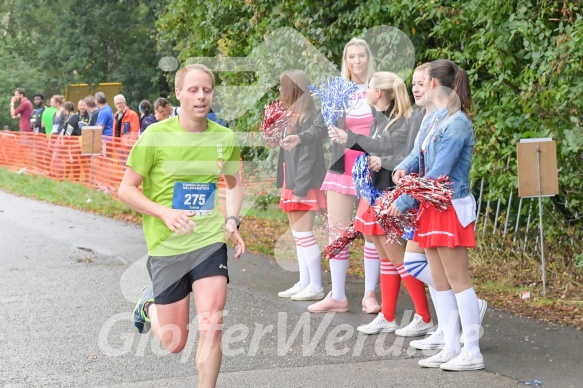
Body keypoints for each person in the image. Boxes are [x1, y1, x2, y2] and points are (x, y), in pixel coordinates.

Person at [118, 63, 245, 388]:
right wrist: (163, 212)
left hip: (208, 241)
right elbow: (126, 189)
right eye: (193, 89)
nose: (201, 96)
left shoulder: (224, 138)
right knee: (174, 342)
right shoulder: (155, 136)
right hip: (167, 245)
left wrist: (232, 220)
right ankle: (149, 304)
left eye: (206, 90)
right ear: (178, 93)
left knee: (212, 323)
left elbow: (233, 183)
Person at [390, 59, 484, 371]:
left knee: (458, 280)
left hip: (449, 205)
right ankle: (450, 345)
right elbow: (420, 156)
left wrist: (401, 202)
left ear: (433, 84)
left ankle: (471, 350)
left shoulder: (457, 123)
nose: (416, 87)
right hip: (432, 205)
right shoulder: (436, 119)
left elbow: (440, 172)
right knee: (441, 281)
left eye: (421, 81)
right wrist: (403, 167)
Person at [329, 71, 434, 336]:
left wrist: (352, 140)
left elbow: (391, 149)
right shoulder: (380, 119)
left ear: (379, 93)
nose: (364, 91)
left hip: (388, 194)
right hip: (374, 191)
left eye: (369, 88)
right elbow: (381, 147)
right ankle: (388, 316)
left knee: (398, 257)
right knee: (386, 255)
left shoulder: (403, 121)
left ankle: (424, 316)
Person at [305, 38, 380, 313]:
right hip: (342, 166)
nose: (357, 61)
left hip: (372, 167)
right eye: (352, 57)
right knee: (337, 231)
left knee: (372, 233)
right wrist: (296, 138)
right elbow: (318, 126)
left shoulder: (379, 88)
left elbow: (391, 127)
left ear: (368, 58)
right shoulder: (339, 91)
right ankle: (337, 295)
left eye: (361, 55)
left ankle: (370, 295)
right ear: (345, 61)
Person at [274, 70, 327, 302]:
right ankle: (304, 282)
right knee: (297, 235)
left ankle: (315, 285)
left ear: (293, 89)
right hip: (292, 180)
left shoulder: (310, 117)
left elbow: (308, 156)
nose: (279, 91)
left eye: (282, 86)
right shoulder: (290, 116)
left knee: (305, 234)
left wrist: (301, 187)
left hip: (303, 181)